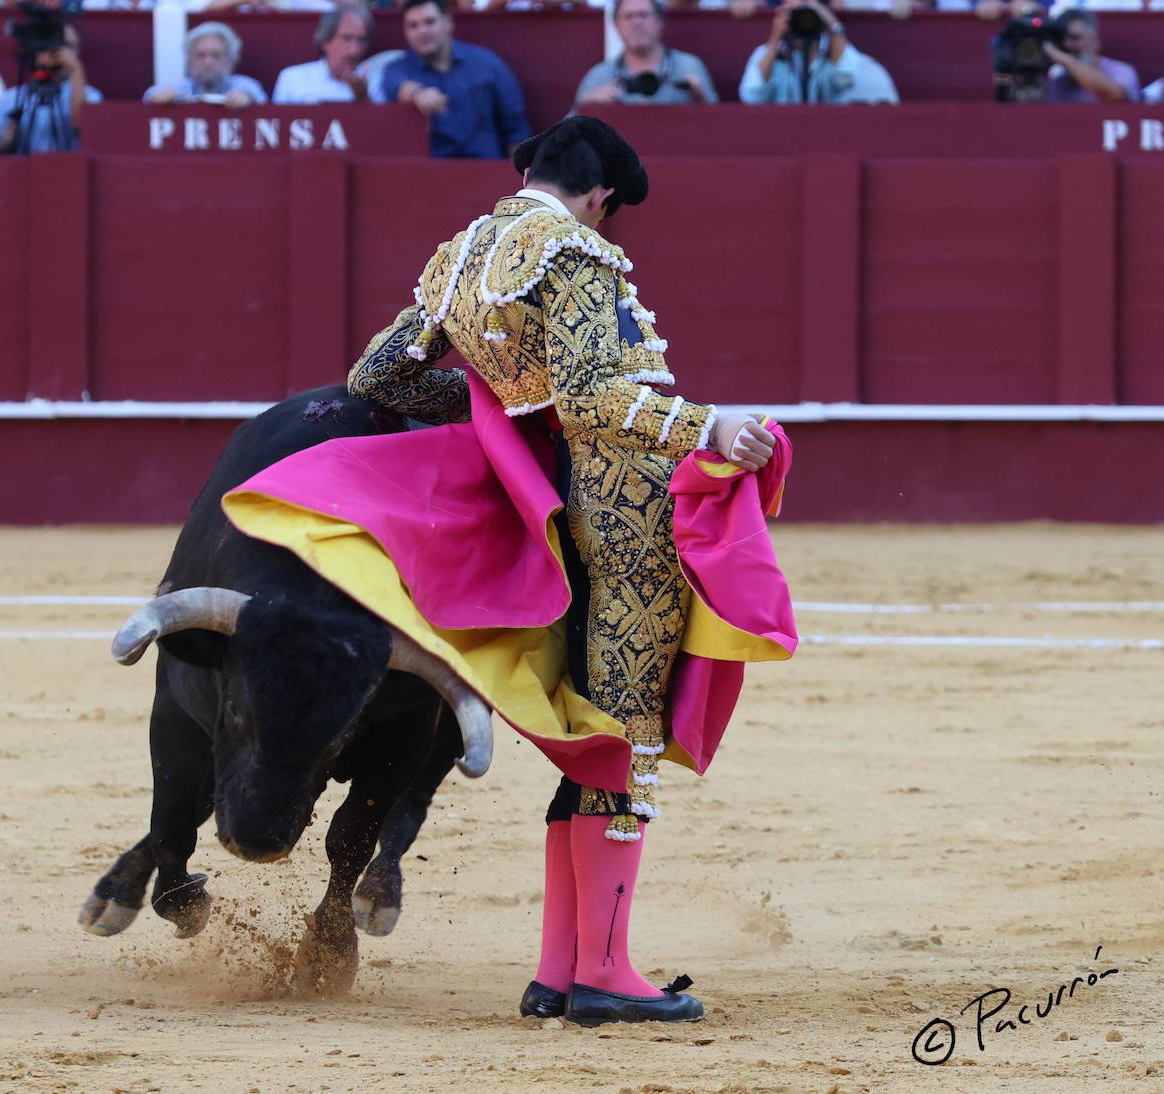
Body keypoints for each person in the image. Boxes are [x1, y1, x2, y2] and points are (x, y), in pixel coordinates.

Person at [221, 116, 797, 1026]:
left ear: (529, 169)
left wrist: (509, 410)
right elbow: (598, 397)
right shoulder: (575, 253)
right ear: (601, 194)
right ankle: (602, 974)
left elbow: (378, 376)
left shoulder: (459, 256)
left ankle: (562, 970)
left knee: (594, 739)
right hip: (628, 513)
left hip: (557, 509)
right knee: (623, 736)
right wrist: (712, 428)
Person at [381, 0, 531, 158]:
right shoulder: (397, 68)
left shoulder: (487, 65)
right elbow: (395, 84)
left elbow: (517, 131)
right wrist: (417, 94)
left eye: (429, 22)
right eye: (413, 25)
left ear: (448, 22)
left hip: (486, 171)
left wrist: (517, 177)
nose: (422, 31)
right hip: (427, 174)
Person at [0, 22, 101, 155]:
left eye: (69, 46)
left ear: (78, 52)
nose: (61, 52)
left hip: (70, 172)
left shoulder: (91, 95)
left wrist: (75, 69)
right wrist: (5, 143)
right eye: (57, 44)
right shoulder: (13, 97)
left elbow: (84, 127)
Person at [575, 0, 718, 105]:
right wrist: (587, 104)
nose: (636, 22)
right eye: (628, 16)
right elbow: (566, 134)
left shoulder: (688, 67)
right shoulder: (600, 75)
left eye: (643, 15)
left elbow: (717, 125)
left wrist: (700, 99)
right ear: (616, 25)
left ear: (660, 21)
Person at [738, 0, 862, 104]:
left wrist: (832, 24)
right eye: (794, 14)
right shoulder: (767, 52)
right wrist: (775, 38)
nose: (801, 21)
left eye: (807, 15)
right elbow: (751, 96)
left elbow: (847, 76)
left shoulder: (833, 51)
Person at [143, 21, 267, 107]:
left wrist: (246, 98)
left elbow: (256, 95)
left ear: (231, 60)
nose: (208, 62)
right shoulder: (183, 88)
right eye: (201, 55)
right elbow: (151, 95)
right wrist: (158, 98)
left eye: (216, 55)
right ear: (189, 60)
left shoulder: (243, 85)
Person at [273, 4, 376, 104]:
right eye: (346, 39)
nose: (355, 50)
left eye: (361, 40)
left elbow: (381, 120)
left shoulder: (373, 80)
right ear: (325, 40)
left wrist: (363, 98)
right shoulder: (293, 79)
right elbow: (273, 120)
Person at [1042, 10, 1138, 103]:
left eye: (1075, 38)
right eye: (1061, 39)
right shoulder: (1058, 81)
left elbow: (1114, 95)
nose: (1067, 44)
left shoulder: (1121, 71)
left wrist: (1066, 59)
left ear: (1095, 41)